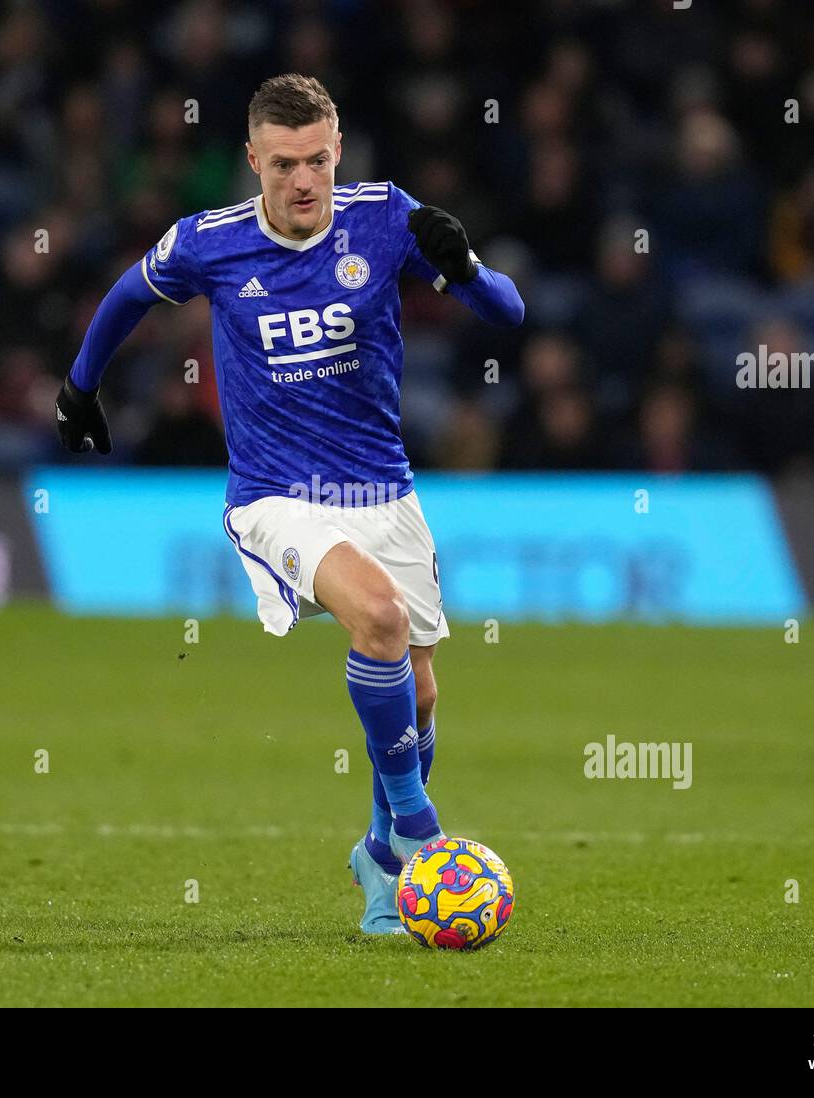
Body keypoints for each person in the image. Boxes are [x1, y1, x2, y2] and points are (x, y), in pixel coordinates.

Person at [55, 74, 524, 932]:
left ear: (337, 153)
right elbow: (127, 295)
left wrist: (464, 266)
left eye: (317, 161)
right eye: (283, 165)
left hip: (384, 489)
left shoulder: (385, 216)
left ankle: (381, 859)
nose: (303, 182)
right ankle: (423, 837)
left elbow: (507, 310)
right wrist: (82, 387)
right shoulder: (210, 242)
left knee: (418, 692)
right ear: (252, 161)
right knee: (377, 619)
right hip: (275, 496)